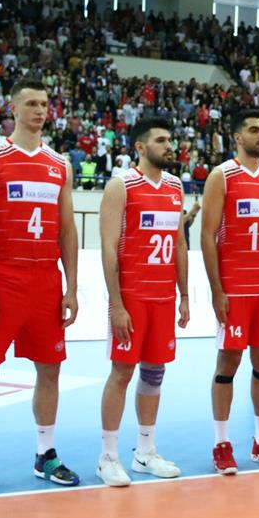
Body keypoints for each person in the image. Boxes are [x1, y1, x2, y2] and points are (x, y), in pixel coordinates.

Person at [0, 80, 80, 497]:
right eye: (30, 103)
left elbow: (67, 229)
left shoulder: (59, 164)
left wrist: (71, 287)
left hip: (46, 280)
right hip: (3, 277)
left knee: (50, 368)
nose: (39, 110)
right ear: (13, 109)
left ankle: (45, 453)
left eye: (44, 103)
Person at [200, 109, 259, 473]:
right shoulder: (222, 175)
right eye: (254, 130)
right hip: (235, 288)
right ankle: (221, 443)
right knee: (229, 360)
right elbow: (207, 234)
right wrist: (216, 289)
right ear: (238, 137)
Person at [95, 119, 189, 486]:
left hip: (163, 297)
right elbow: (108, 248)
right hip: (132, 297)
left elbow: (179, 244)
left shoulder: (175, 186)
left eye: (170, 140)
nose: (169, 146)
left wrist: (184, 295)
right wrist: (117, 304)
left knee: (154, 373)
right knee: (122, 372)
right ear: (140, 147)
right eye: (161, 140)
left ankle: (145, 452)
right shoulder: (121, 186)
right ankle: (107, 456)